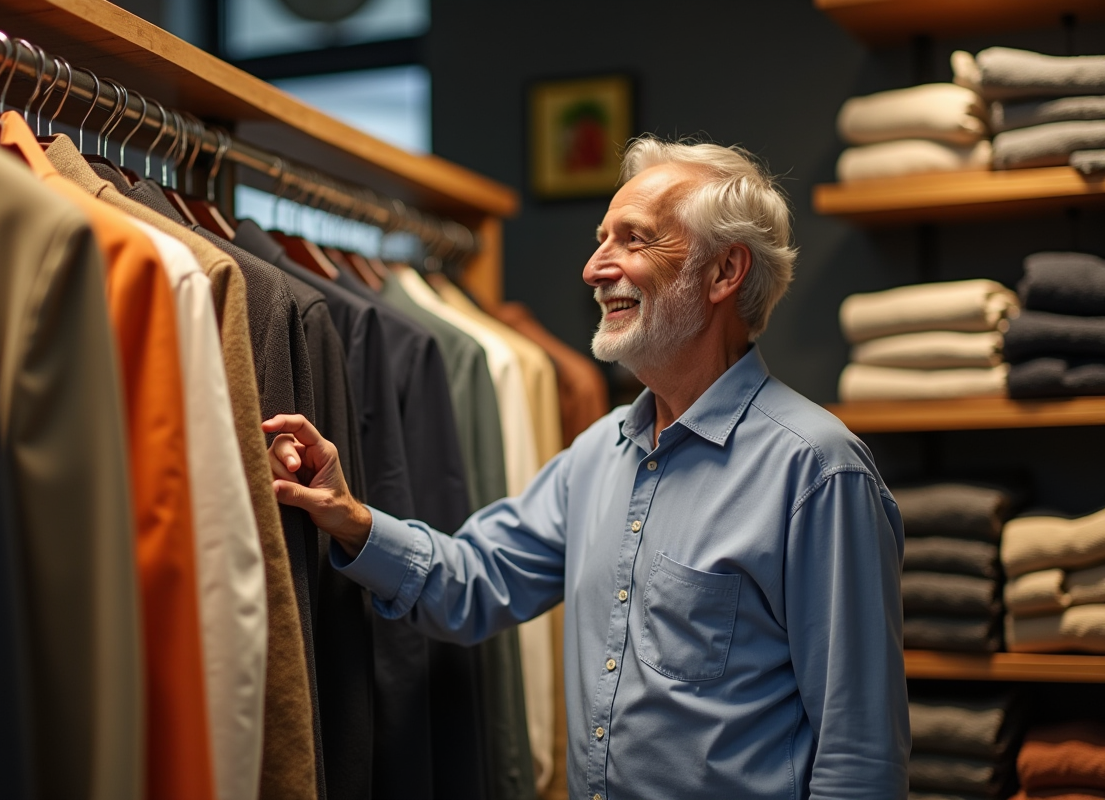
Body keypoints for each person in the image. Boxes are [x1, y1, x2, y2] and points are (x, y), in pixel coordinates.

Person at [262, 136, 910, 799]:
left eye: (633, 240)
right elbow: (474, 582)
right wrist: (351, 520)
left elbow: (858, 757)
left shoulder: (820, 472)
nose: (595, 268)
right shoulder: (600, 454)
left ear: (723, 272)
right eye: (601, 239)